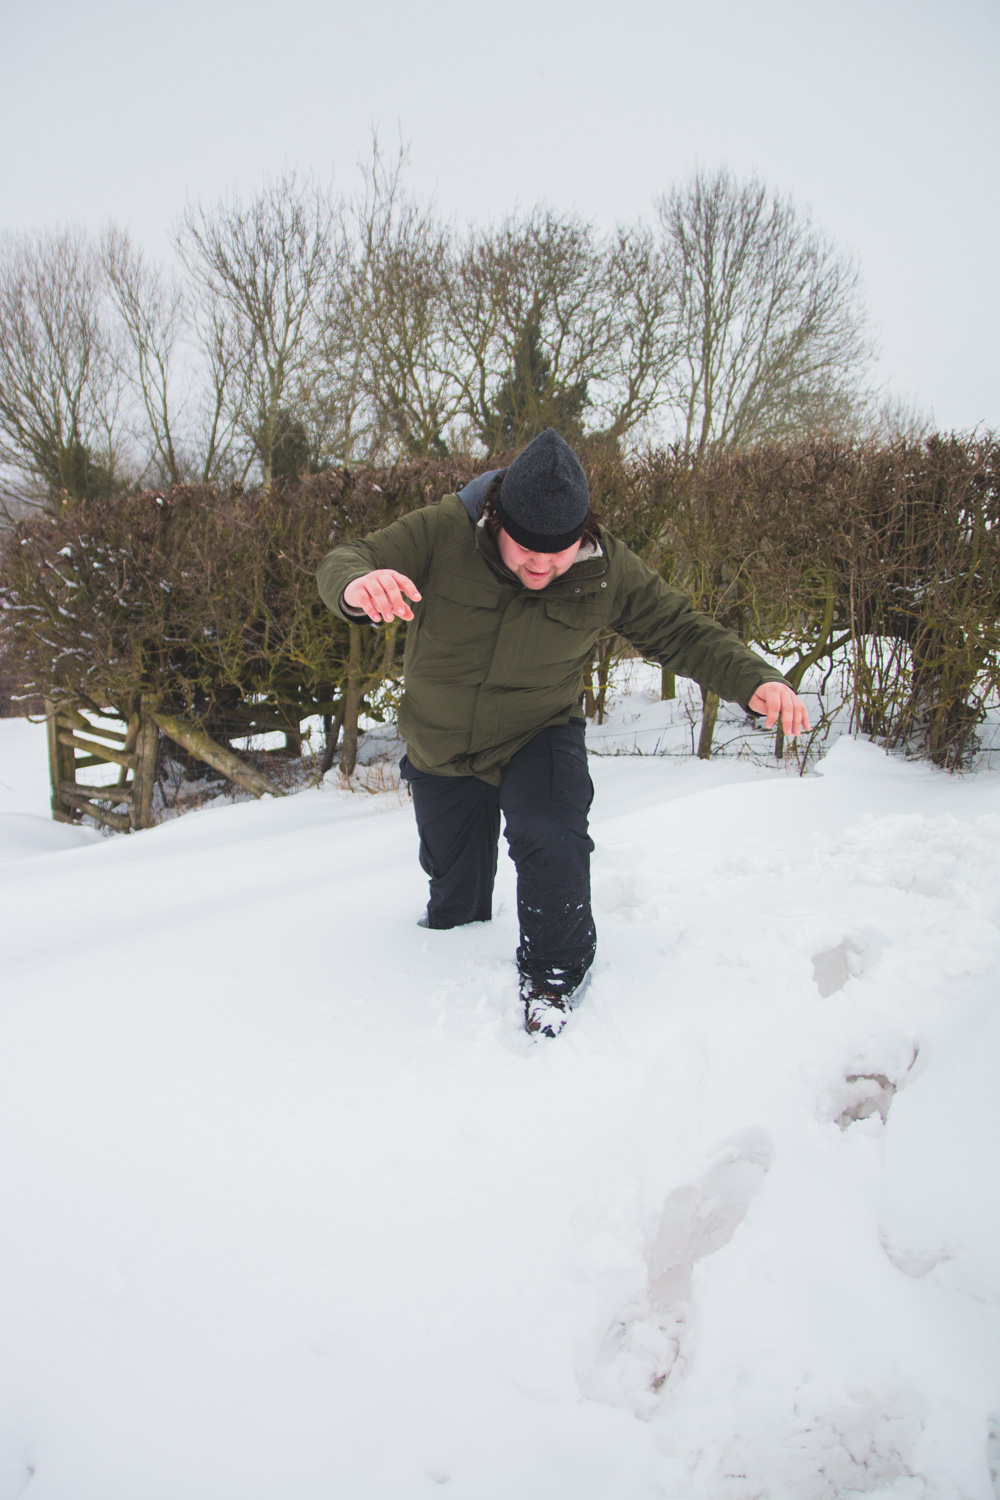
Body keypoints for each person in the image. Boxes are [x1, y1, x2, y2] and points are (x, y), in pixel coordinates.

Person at [316, 428, 809, 1038]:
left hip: (538, 730)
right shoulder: (444, 531)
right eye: (526, 548)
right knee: (455, 899)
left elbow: (681, 630)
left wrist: (755, 679)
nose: (542, 565)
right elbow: (348, 558)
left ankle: (553, 976)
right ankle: (448, 951)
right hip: (441, 744)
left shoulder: (608, 570)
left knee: (553, 837)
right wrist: (354, 587)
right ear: (497, 519)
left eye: (560, 551)